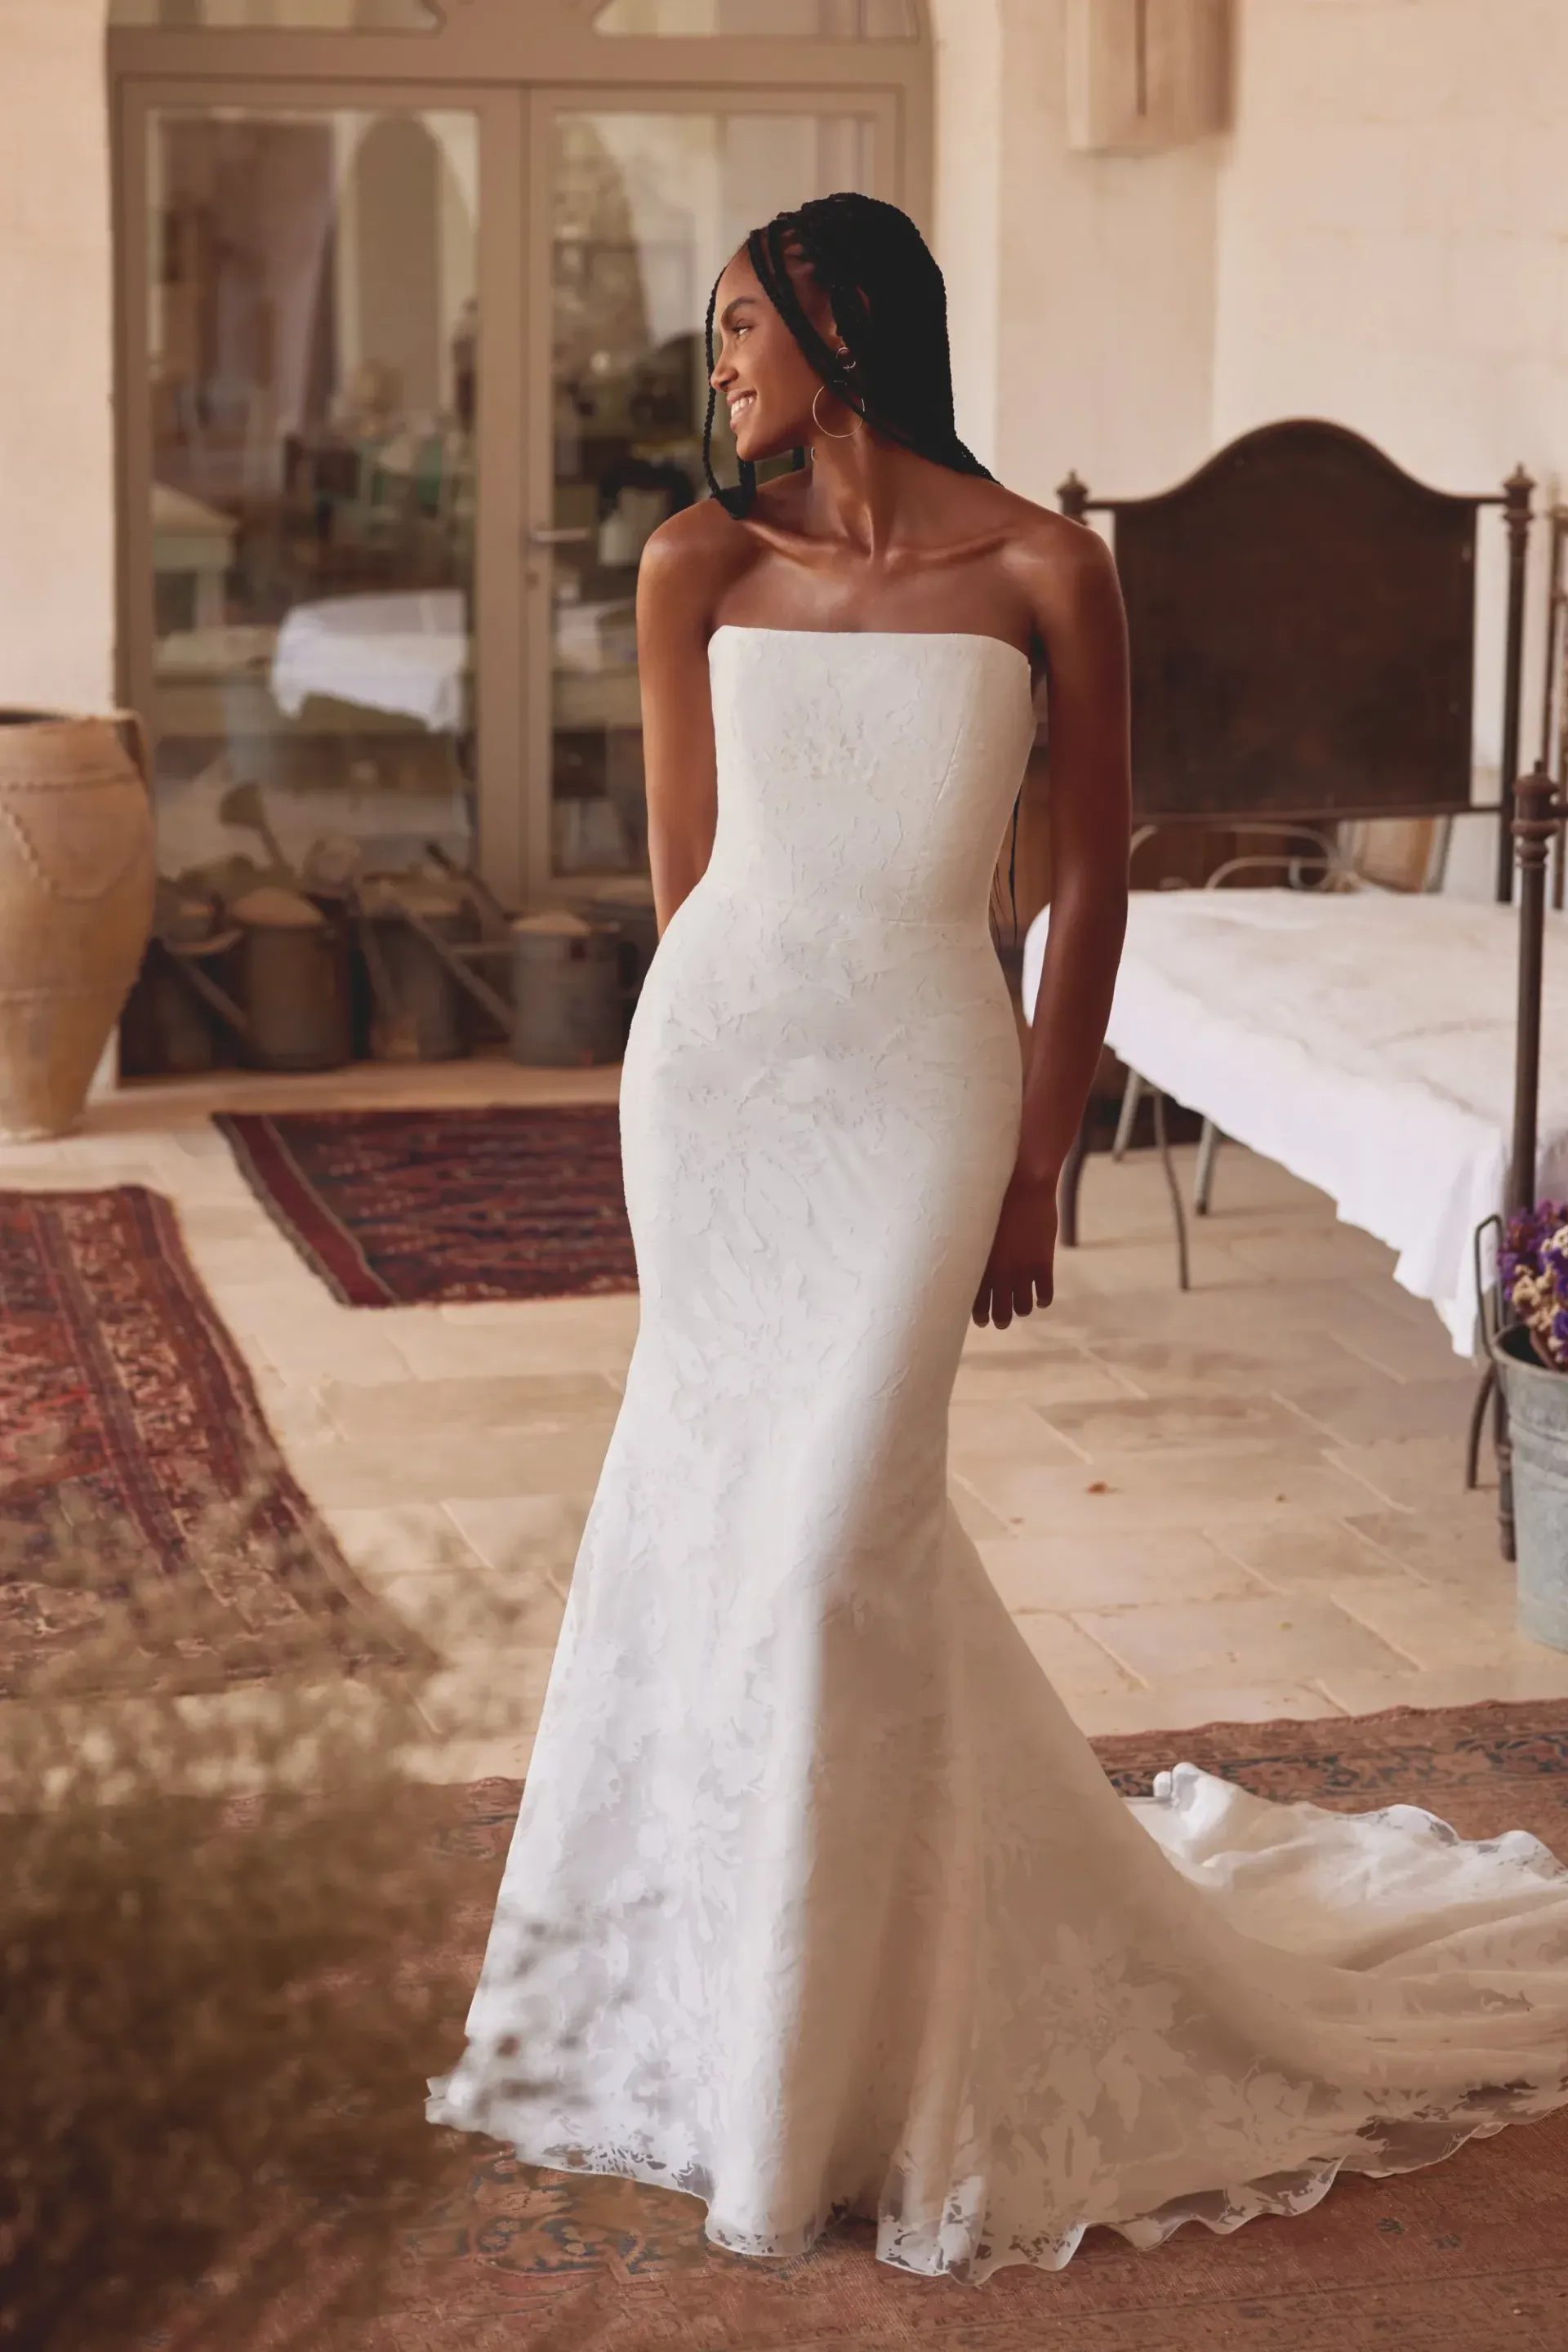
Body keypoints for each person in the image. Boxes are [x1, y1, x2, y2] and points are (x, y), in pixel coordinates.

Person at [429, 194, 1568, 2284]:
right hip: (725, 1091)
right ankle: (736, 2020)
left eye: (747, 327)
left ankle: (867, 2028)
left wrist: (1040, 1157)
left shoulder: (1052, 570)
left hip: (923, 1078)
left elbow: (1090, 889)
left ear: (847, 329)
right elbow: (691, 896)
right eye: (720, 338)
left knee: (839, 1532)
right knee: (723, 1527)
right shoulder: (700, 563)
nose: (725, 369)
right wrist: (676, 1110)